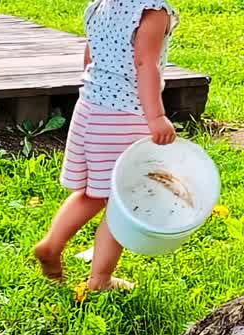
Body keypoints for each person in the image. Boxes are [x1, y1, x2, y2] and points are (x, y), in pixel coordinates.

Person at [34, 0, 179, 290]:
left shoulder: (100, 6)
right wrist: (157, 117)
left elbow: (90, 58)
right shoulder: (152, 11)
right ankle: (100, 279)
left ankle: (51, 245)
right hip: (124, 116)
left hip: (90, 107)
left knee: (91, 194)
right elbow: (144, 63)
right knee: (121, 204)